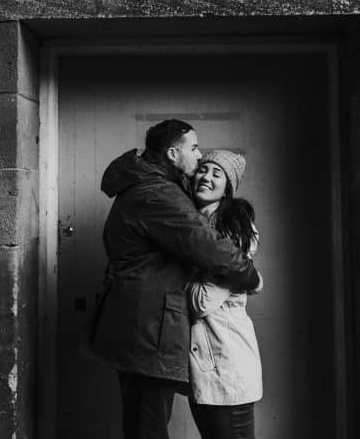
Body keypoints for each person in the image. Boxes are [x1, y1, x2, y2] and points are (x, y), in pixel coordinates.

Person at [92, 120, 262, 439]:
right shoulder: (158, 193)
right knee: (147, 427)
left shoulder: (154, 186)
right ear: (173, 153)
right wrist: (251, 277)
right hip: (146, 330)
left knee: (146, 424)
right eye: (194, 149)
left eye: (216, 173)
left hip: (145, 328)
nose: (199, 160)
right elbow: (204, 243)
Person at [186, 150, 262, 439]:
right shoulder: (196, 223)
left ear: (227, 188)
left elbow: (203, 300)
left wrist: (175, 281)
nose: (206, 176)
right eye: (203, 169)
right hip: (206, 366)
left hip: (228, 362)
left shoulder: (232, 228)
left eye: (217, 174)